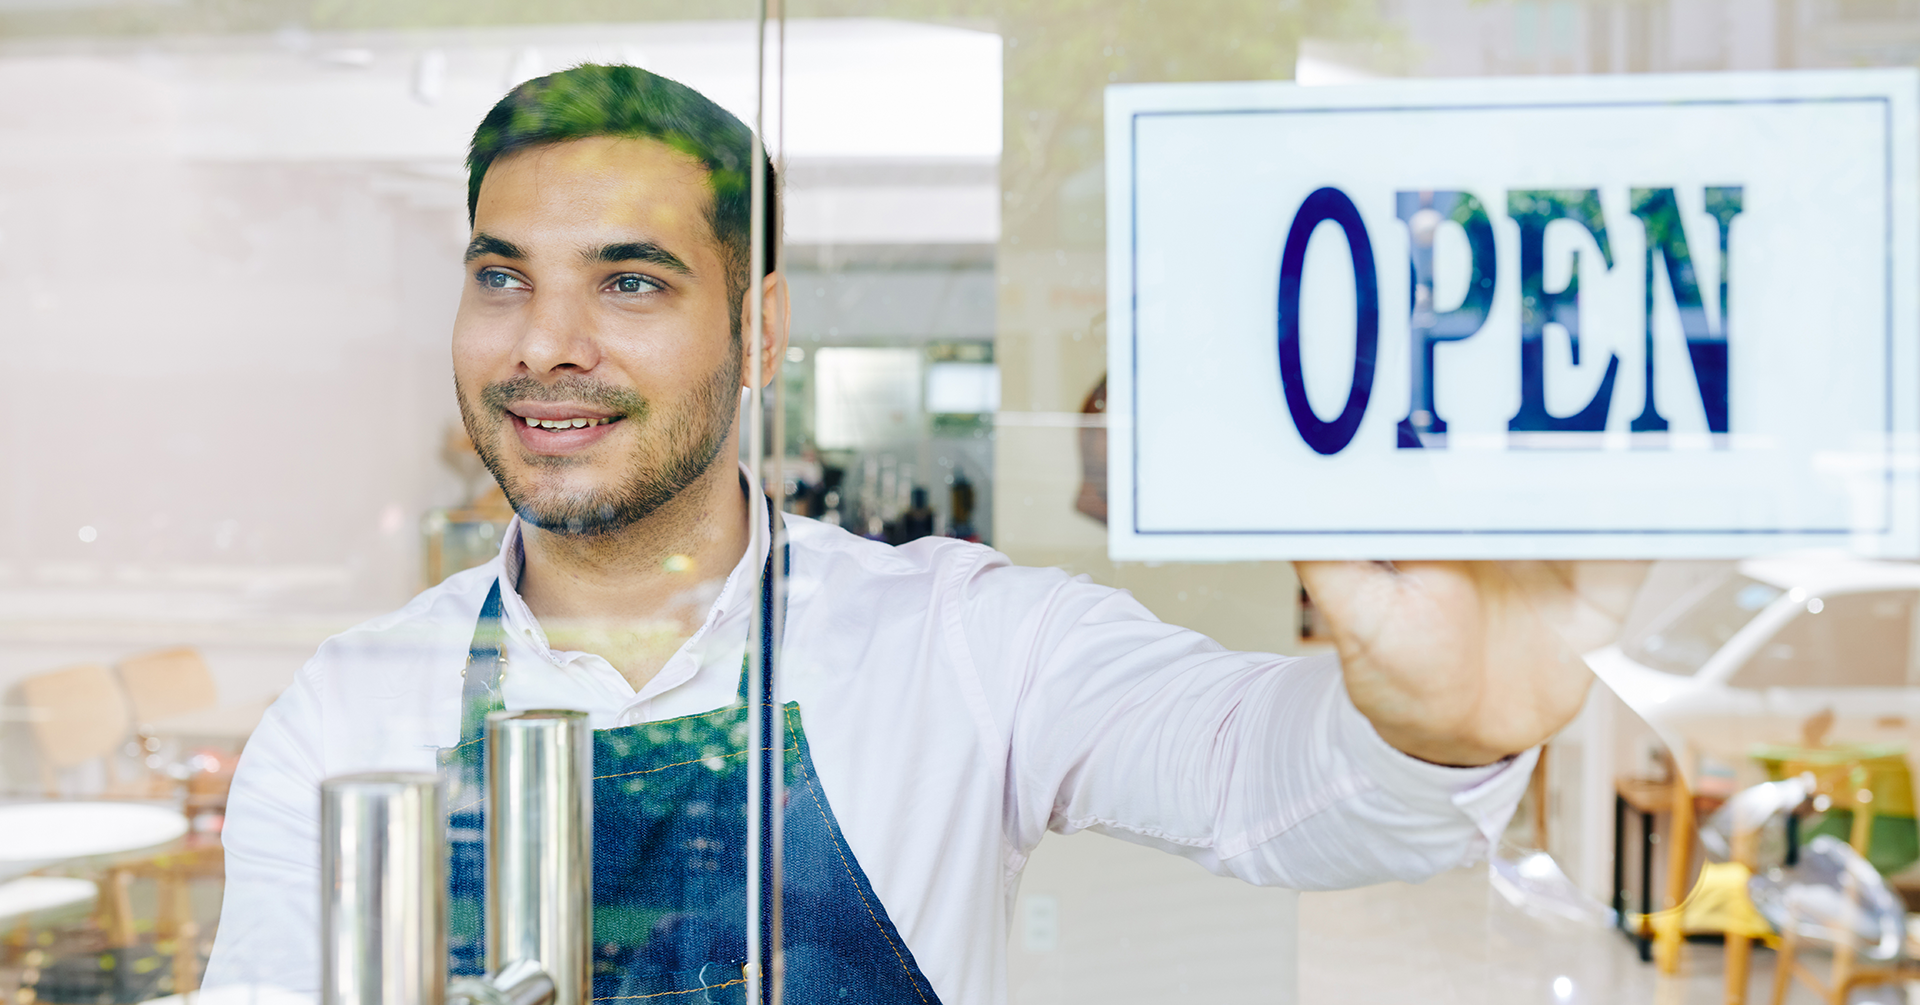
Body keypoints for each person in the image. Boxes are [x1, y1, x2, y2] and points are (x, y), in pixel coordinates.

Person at [203, 64, 1631, 1003]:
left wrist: (1436, 727)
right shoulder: (350, 710)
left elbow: (1263, 783)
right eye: (503, 278)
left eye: (630, 284)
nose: (547, 344)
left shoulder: (960, 639)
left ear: (759, 329)